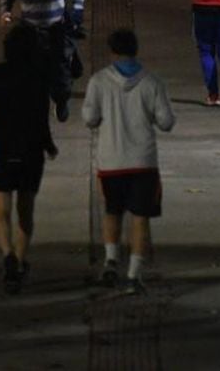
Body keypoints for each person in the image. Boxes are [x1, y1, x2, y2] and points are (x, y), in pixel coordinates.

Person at [82, 29, 175, 294]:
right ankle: (134, 274)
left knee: (112, 211)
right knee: (140, 217)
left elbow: (89, 118)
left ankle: (111, 260)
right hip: (143, 161)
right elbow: (166, 122)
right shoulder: (152, 82)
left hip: (111, 160)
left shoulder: (99, 81)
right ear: (136, 50)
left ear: (112, 52)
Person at [0, 24, 58, 294]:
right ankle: (19, 260)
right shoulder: (39, 77)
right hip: (30, 149)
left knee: (1, 210)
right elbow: (42, 118)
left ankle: (7, 254)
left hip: (1, 147)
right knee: (25, 211)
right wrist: (48, 144)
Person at [0, 0, 86, 122]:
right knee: (31, 71)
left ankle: (61, 99)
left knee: (60, 71)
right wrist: (5, 12)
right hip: (31, 29)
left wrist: (77, 12)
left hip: (57, 27)